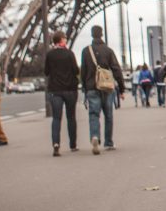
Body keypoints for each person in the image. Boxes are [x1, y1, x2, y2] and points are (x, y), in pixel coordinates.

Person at [80, 26, 125, 154]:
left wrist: (84, 86)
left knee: (94, 114)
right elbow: (116, 69)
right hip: (107, 87)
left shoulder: (85, 51)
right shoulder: (108, 50)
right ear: (102, 34)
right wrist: (121, 88)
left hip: (91, 87)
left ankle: (95, 136)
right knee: (108, 115)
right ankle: (108, 142)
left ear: (91, 34)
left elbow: (83, 71)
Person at [44, 30, 79, 157]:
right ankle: (73, 145)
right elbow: (76, 70)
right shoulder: (70, 54)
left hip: (55, 90)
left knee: (56, 118)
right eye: (65, 38)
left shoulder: (50, 55)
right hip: (70, 89)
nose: (66, 39)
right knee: (71, 117)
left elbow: (46, 72)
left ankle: (56, 144)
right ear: (61, 40)